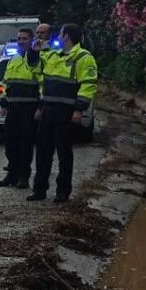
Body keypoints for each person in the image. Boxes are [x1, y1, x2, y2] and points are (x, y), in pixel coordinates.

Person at [28, 23, 98, 203]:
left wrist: (79, 109)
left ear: (67, 36)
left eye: (60, 34)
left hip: (66, 113)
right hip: (48, 110)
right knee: (43, 152)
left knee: (64, 153)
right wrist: (34, 52)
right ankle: (39, 189)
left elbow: (88, 85)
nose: (58, 37)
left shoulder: (83, 57)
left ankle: (63, 192)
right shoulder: (53, 55)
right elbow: (35, 69)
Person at [0, 28, 40, 189]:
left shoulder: (36, 59)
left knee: (25, 144)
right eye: (19, 38)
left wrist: (39, 107)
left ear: (32, 40)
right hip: (13, 106)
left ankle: (23, 176)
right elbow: (6, 82)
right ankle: (11, 174)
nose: (21, 41)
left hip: (29, 107)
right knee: (10, 143)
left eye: (25, 38)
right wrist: (4, 103)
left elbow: (41, 83)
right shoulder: (13, 59)